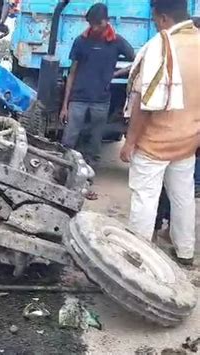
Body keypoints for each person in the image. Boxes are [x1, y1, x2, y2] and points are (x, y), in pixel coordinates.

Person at [121, 0, 200, 266]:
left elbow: (145, 102)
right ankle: (185, 252)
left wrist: (129, 142)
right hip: (188, 142)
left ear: (163, 17)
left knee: (145, 198)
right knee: (183, 197)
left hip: (154, 143)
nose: (155, 25)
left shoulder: (161, 46)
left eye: (155, 20)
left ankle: (137, 256)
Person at [60, 3, 135, 182]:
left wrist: (116, 73)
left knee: (95, 143)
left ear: (106, 21)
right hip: (78, 99)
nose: (94, 28)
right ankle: (62, 171)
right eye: (91, 24)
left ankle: (87, 177)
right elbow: (72, 73)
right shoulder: (80, 41)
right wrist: (65, 104)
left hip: (101, 101)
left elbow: (137, 61)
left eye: (97, 24)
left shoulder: (117, 42)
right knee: (68, 139)